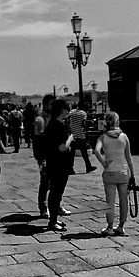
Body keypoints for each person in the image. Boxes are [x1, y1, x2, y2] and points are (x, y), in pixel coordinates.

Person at [94, 111, 136, 236]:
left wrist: (104, 163)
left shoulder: (103, 137)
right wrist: (132, 174)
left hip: (110, 172)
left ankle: (110, 227)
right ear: (117, 121)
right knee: (124, 200)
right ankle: (121, 226)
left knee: (110, 202)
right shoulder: (124, 136)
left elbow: (96, 151)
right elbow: (129, 157)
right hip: (123, 172)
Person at [43, 98, 76, 232]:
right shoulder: (60, 127)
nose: (68, 112)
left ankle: (54, 219)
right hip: (60, 164)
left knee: (54, 192)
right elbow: (62, 147)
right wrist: (70, 138)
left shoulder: (51, 124)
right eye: (67, 109)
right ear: (62, 110)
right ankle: (53, 221)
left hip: (52, 162)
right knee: (57, 193)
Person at [67, 102, 96, 173]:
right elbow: (84, 123)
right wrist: (85, 129)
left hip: (73, 135)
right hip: (80, 135)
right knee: (84, 153)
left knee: (72, 153)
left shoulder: (72, 112)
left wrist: (69, 127)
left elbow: (67, 118)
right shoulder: (83, 113)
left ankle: (70, 168)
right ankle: (88, 167)